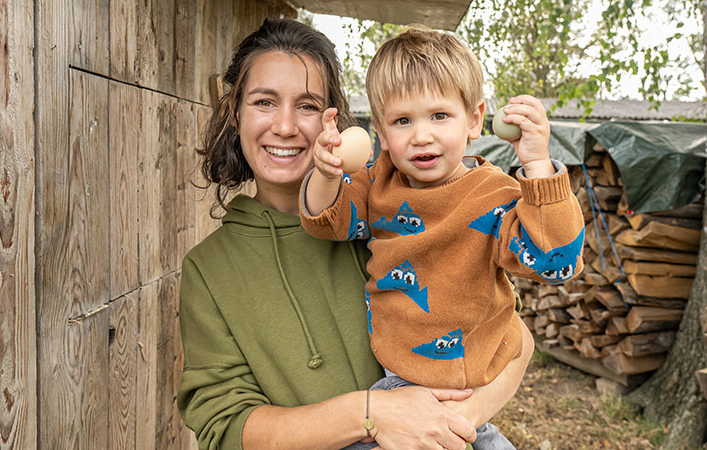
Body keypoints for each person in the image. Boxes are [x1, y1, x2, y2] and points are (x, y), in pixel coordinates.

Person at [177, 18, 534, 450]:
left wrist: (455, 421)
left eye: (308, 106)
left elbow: (514, 335)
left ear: (336, 123)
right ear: (235, 114)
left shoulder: (395, 216)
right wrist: (371, 414)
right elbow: (225, 427)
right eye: (264, 102)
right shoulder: (209, 269)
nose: (286, 126)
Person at [300, 27, 585, 448]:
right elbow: (328, 220)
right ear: (381, 132)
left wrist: (539, 166)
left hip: (475, 389)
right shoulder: (378, 183)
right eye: (402, 121)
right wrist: (326, 174)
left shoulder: (495, 194)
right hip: (400, 390)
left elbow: (555, 262)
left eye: (439, 116)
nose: (421, 135)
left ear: (474, 119)